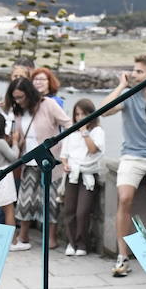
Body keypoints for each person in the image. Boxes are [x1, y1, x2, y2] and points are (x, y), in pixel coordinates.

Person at [100, 55, 146, 276]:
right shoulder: (129, 97)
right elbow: (103, 111)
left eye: (139, 71)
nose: (133, 74)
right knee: (124, 199)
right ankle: (122, 256)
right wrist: (122, 86)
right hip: (131, 156)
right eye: (133, 71)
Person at [7, 76, 72, 250]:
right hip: (28, 160)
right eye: (15, 97)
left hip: (50, 160)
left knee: (50, 200)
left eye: (21, 97)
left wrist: (65, 150)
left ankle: (51, 238)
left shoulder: (48, 104)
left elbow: (68, 124)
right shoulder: (19, 110)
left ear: (29, 94)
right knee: (25, 199)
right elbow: (19, 133)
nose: (17, 101)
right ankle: (23, 237)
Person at [60, 97, 104, 256]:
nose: (80, 118)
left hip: (88, 175)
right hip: (72, 173)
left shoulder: (97, 131)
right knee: (69, 210)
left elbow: (94, 150)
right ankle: (71, 242)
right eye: (77, 114)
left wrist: (85, 132)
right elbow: (64, 153)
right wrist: (65, 163)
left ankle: (82, 243)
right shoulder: (71, 131)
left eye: (83, 114)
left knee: (83, 211)